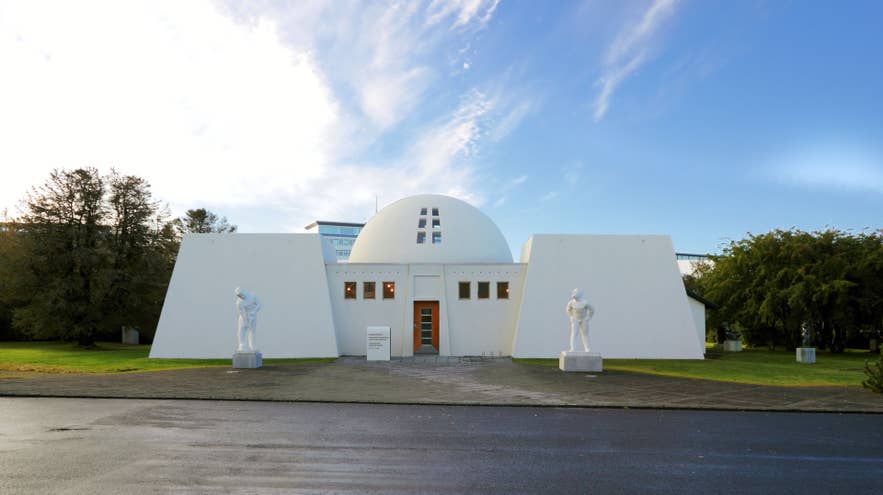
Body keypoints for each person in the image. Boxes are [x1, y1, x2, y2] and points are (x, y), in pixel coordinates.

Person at [235, 287, 261, 352]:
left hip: (252, 315)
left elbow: (259, 304)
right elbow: (242, 313)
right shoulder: (239, 303)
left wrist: (254, 311)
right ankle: (242, 345)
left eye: (241, 294)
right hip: (243, 317)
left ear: (244, 291)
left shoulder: (253, 296)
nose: (241, 296)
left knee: (252, 331)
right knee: (242, 330)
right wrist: (245, 321)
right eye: (239, 295)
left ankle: (252, 346)